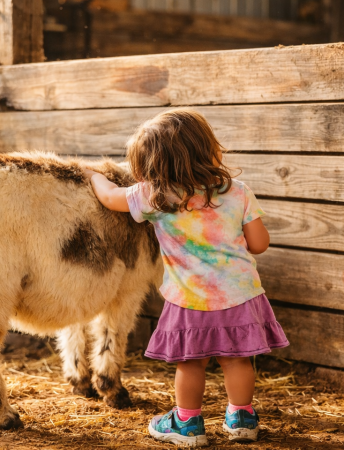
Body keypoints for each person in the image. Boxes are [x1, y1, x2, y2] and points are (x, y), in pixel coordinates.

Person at [84, 108, 289, 447]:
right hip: (240, 294)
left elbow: (108, 197)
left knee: (190, 363)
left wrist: (92, 175)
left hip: (190, 298)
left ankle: (187, 424)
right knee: (238, 359)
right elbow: (259, 244)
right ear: (207, 148)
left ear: (153, 167)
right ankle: (242, 418)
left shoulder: (155, 195)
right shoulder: (237, 191)